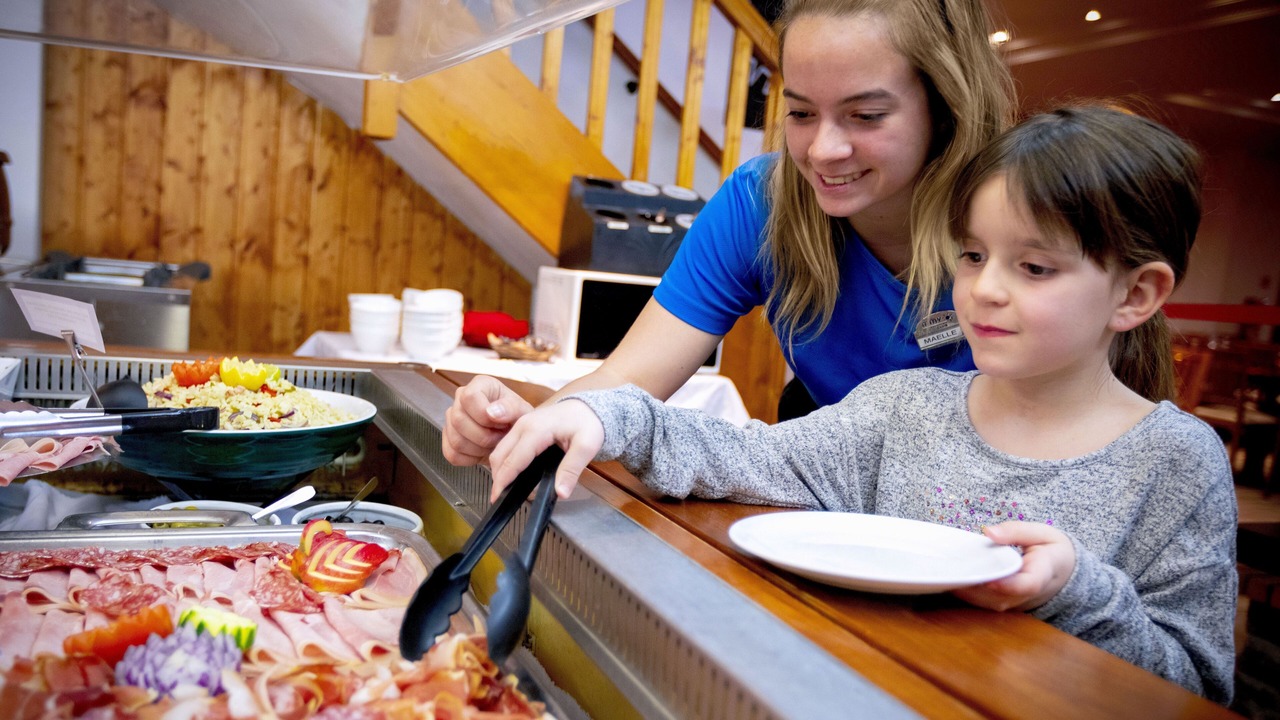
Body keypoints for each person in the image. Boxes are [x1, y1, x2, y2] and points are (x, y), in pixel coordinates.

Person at [486, 106, 1238, 703]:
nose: (984, 289)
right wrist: (606, 415)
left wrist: (1077, 590)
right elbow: (743, 455)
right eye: (973, 255)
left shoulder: (1177, 461)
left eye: (1034, 266)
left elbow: (1193, 688)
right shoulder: (902, 409)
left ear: (1136, 295)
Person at [441, 0, 1015, 464]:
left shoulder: (1023, 218)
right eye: (800, 113)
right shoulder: (760, 201)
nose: (823, 150)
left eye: (865, 116)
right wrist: (530, 424)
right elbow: (625, 380)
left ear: (945, 105)